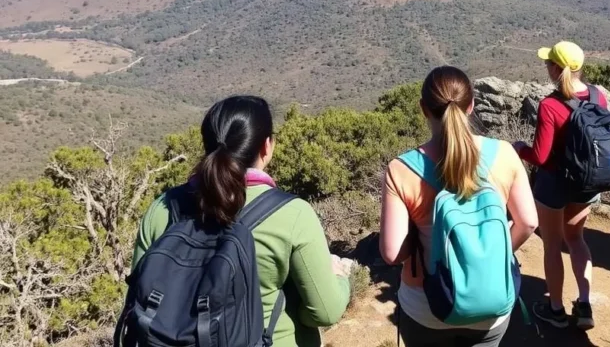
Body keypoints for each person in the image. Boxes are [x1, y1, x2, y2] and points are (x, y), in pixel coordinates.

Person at [132, 96, 351, 347]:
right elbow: (325, 311)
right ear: (266, 147)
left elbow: (139, 299)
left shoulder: (162, 208)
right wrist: (340, 278)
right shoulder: (294, 214)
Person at [380, 66, 538, 347]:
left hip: (426, 305)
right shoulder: (504, 153)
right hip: (491, 301)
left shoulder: (401, 169)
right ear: (472, 105)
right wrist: (486, 254)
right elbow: (528, 223)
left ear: (423, 109)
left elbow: (392, 253)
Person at [513, 41, 608, 331]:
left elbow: (541, 156)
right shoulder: (598, 96)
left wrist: (520, 149)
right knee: (577, 240)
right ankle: (584, 303)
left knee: (552, 245)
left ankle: (555, 310)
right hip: (586, 184)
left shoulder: (550, 105)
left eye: (548, 63)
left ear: (556, 68)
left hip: (554, 185)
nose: (546, 66)